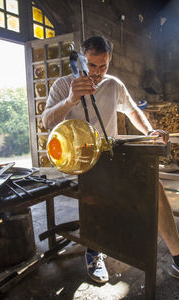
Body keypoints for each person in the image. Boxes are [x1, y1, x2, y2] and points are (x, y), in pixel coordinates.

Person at [42, 36, 179, 283]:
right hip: (77, 158)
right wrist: (71, 100)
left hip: (109, 154)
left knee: (153, 187)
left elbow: (133, 110)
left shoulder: (113, 84)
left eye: (103, 66)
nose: (97, 73)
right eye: (92, 66)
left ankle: (178, 256)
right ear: (82, 60)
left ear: (109, 61)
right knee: (101, 191)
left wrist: (150, 132)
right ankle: (95, 251)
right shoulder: (63, 85)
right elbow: (47, 121)